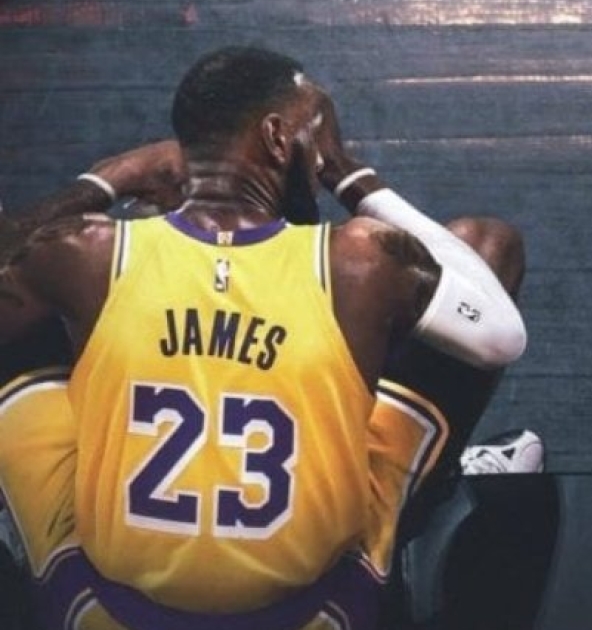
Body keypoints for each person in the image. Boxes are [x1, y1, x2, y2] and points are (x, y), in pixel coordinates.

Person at [0, 45, 526, 629]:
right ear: (278, 137)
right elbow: (502, 333)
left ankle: (22, 507)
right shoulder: (358, 260)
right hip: (319, 612)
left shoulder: (89, 250)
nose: (321, 147)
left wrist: (110, 178)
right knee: (484, 245)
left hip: (100, 611)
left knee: (30, 316)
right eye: (319, 128)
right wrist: (349, 174)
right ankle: (429, 487)